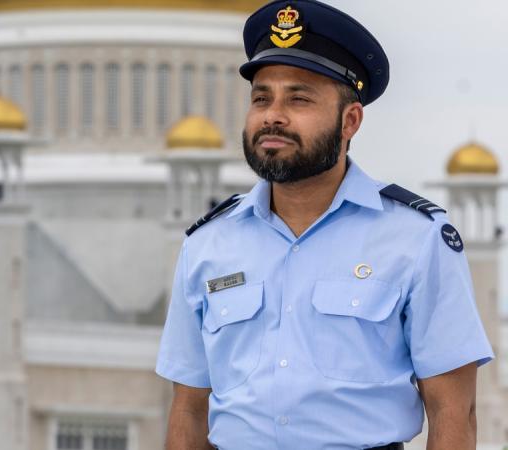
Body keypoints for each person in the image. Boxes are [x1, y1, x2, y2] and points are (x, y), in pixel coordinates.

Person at [155, 1, 494, 449]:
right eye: (262, 98)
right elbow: (189, 407)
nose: (273, 115)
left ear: (350, 120)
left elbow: (453, 411)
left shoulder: (416, 238)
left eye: (299, 98)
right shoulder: (208, 244)